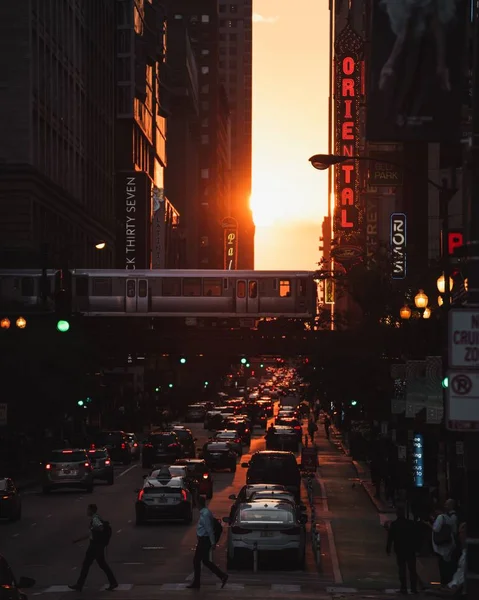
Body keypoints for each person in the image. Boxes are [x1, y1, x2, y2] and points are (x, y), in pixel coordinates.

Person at [69, 504, 117, 592]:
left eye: (88, 510)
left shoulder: (95, 519)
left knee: (86, 565)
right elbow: (90, 534)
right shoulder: (96, 518)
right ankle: (113, 582)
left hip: (95, 546)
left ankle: (79, 585)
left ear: (91, 510)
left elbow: (100, 528)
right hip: (97, 545)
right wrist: (77, 540)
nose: (87, 511)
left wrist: (95, 530)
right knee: (101, 564)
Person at [187, 496, 228, 590]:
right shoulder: (204, 513)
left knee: (197, 560)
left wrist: (213, 542)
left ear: (198, 504)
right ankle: (222, 576)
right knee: (204, 561)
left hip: (205, 540)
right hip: (203, 540)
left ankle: (197, 583)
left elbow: (209, 529)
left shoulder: (205, 514)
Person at [386, 506, 418, 595]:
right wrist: (416, 548)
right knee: (412, 569)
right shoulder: (410, 523)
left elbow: (390, 538)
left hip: (400, 550)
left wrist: (388, 548)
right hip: (410, 550)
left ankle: (403, 588)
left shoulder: (395, 524)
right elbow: (416, 537)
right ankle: (413, 588)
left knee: (402, 569)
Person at [431, 499, 458, 585]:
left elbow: (436, 529)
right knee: (447, 566)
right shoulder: (450, 518)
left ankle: (444, 584)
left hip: (442, 546)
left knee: (443, 567)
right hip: (448, 545)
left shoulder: (441, 517)